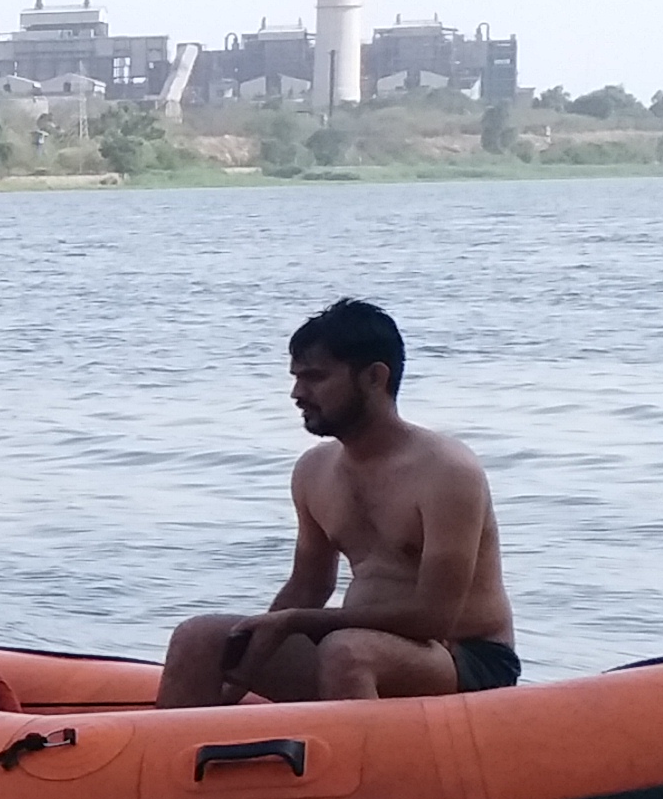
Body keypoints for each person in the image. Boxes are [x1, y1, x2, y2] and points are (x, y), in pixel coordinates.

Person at [155, 298, 516, 705]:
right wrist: (253, 651)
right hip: (358, 647)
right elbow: (309, 585)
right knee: (198, 638)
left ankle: (363, 766)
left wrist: (296, 622)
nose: (297, 393)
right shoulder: (314, 471)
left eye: (315, 378)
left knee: (347, 652)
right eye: (295, 378)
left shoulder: (447, 472)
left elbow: (435, 617)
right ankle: (174, 762)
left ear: (374, 378)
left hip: (462, 657)